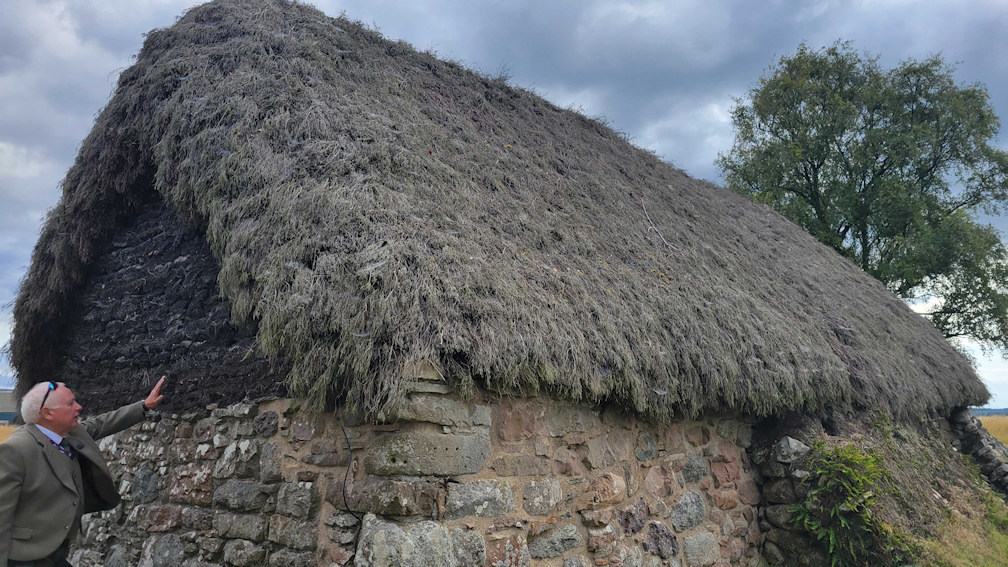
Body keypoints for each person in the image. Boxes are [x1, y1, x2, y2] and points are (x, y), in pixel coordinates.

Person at [0, 377, 167, 567]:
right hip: (23, 559)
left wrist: (144, 406)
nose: (79, 407)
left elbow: (102, 423)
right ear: (47, 413)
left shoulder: (69, 433)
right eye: (71, 403)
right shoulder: (17, 449)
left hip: (53, 554)